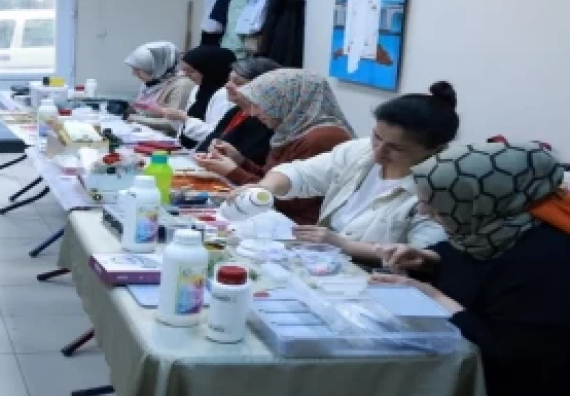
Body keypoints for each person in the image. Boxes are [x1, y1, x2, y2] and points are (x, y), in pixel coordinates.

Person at [375, 141, 570, 396]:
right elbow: (468, 260)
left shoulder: (550, 258)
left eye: (432, 202)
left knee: (375, 376)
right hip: (491, 357)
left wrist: (434, 297)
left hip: (532, 391)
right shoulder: (500, 224)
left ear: (478, 199)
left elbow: (508, 353)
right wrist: (428, 259)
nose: (423, 211)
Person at [231, 82, 458, 263]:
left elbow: (422, 256)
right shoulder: (360, 151)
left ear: (434, 149)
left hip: (370, 273)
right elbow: (301, 173)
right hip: (321, 257)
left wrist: (343, 244)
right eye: (377, 137)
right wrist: (265, 187)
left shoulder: (441, 187)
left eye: (396, 148)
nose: (379, 151)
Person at [196, 69, 353, 224]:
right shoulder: (291, 129)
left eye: (261, 105)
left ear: (288, 102)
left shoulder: (322, 138)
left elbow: (289, 201)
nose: (253, 113)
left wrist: (234, 172)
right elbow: (269, 179)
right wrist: (240, 161)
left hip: (299, 225)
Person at [193, 57, 282, 166]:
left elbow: (253, 159)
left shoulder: (268, 120)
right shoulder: (236, 111)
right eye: (229, 80)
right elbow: (206, 146)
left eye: (238, 82)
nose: (227, 86)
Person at [152, 45, 237, 147]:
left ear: (210, 70)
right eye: (184, 70)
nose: (186, 75)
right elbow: (185, 129)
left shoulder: (224, 95)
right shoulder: (198, 89)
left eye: (191, 71)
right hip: (187, 149)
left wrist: (184, 118)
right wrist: (174, 116)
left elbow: (216, 135)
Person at [125, 41, 193, 113]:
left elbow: (175, 118)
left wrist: (135, 117)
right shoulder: (152, 82)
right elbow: (140, 109)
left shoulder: (181, 85)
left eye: (137, 70)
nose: (134, 74)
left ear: (157, 67)